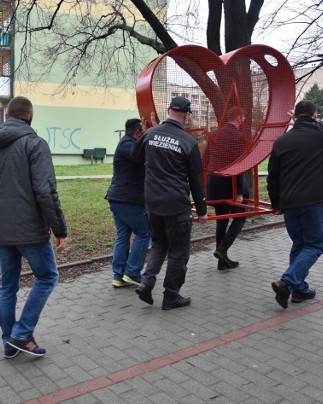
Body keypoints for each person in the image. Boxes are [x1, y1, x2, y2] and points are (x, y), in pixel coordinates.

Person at [0, 96, 68, 358]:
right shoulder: (35, 144)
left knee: (7, 286)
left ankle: (9, 343)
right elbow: (45, 190)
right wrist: (60, 229)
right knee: (47, 276)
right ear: (31, 117)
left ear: (7, 117)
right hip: (30, 228)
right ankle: (20, 335)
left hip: (2, 226)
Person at [132, 96, 208, 310]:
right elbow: (196, 180)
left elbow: (134, 156)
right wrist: (202, 211)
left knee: (159, 244)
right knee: (178, 251)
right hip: (176, 205)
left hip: (153, 203)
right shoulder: (188, 142)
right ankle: (171, 296)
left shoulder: (149, 134)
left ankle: (146, 282)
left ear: (168, 110)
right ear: (186, 115)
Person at [267, 100, 323, 309]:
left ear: (295, 118)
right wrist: (299, 119)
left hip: (290, 203)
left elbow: (273, 178)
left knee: (299, 245)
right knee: (315, 245)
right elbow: (321, 123)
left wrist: (276, 204)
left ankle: (299, 289)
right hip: (314, 202)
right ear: (314, 116)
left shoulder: (282, 142)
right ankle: (287, 283)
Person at [106, 118, 151, 288]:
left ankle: (119, 276)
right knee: (144, 232)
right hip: (128, 200)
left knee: (123, 236)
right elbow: (137, 154)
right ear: (138, 132)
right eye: (143, 132)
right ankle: (131, 272)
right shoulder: (127, 145)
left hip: (120, 199)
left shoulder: (127, 143)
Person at [203, 107, 249, 270]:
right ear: (238, 117)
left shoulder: (215, 133)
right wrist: (238, 192)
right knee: (241, 216)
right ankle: (223, 248)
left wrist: (206, 183)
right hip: (229, 184)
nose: (243, 120)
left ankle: (222, 262)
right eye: (243, 118)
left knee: (221, 220)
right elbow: (239, 165)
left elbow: (206, 158)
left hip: (214, 182)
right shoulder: (237, 136)